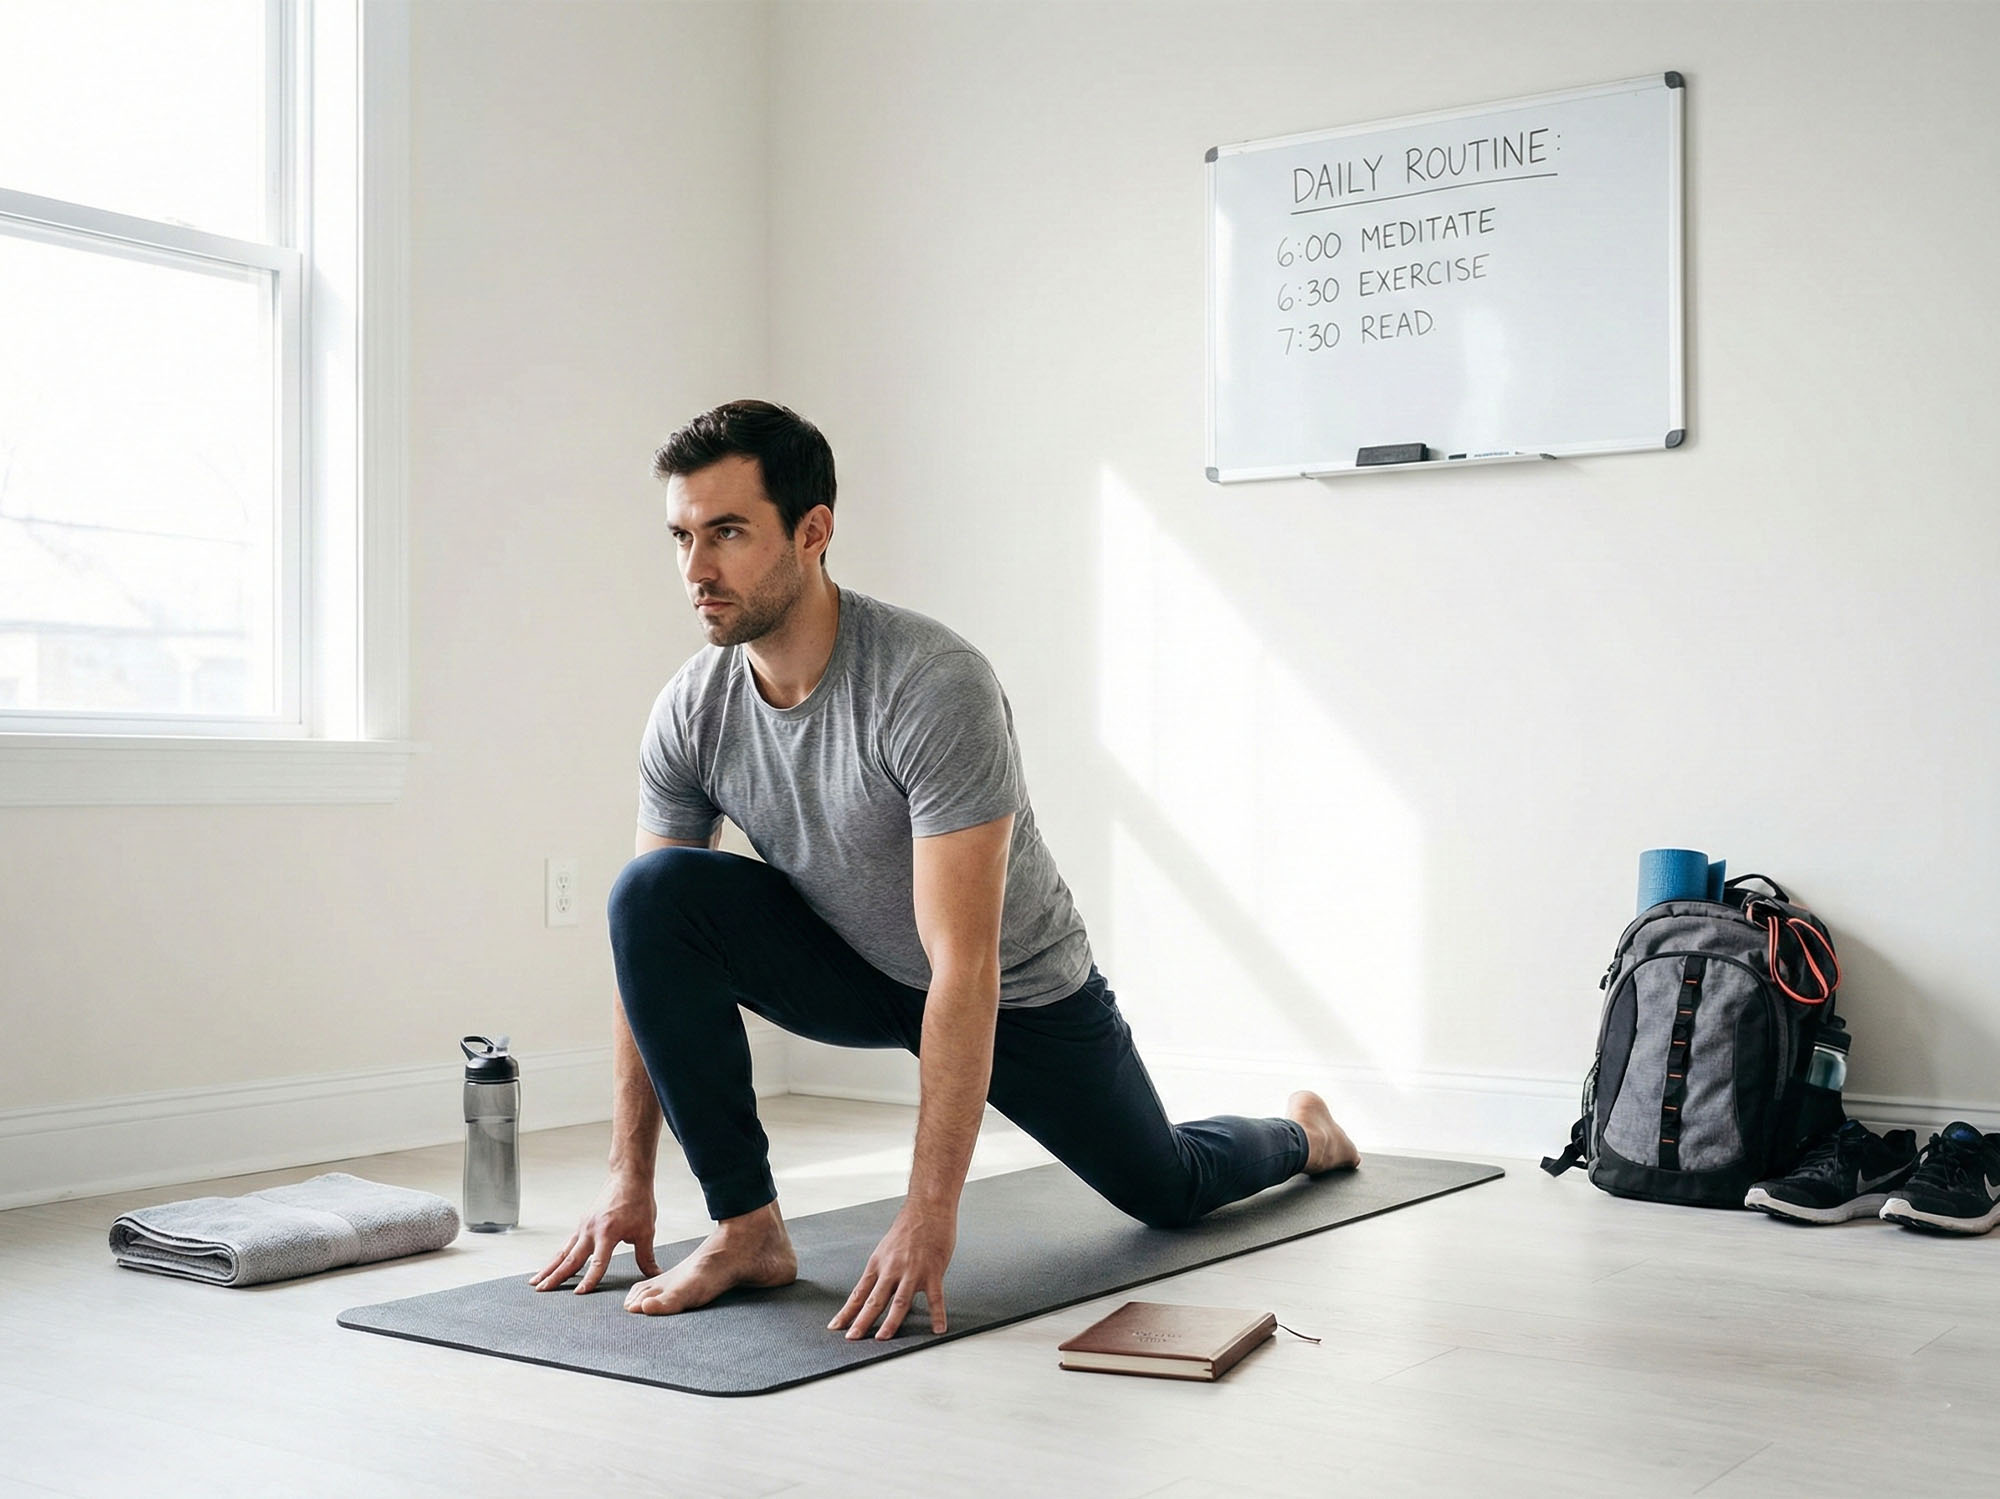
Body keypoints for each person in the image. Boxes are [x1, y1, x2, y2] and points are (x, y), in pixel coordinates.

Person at [529, 400, 1358, 1341]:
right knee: (650, 893)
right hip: (850, 962)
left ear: (813, 532)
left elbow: (963, 964)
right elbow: (648, 958)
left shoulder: (931, 683)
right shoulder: (691, 709)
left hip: (1015, 995)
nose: (695, 570)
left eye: (726, 532)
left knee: (1167, 1186)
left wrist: (929, 1215)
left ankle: (1305, 1134)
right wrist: (626, 1178)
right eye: (681, 536)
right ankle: (747, 1228)